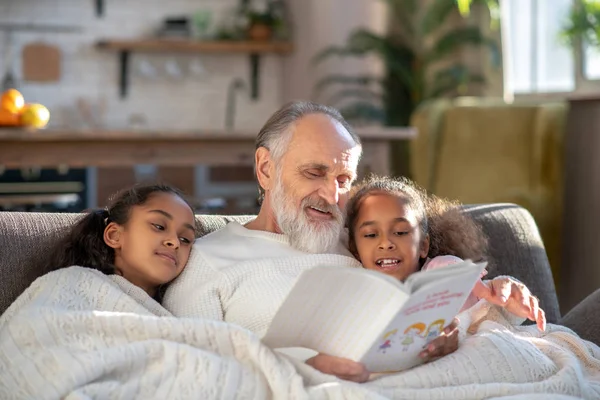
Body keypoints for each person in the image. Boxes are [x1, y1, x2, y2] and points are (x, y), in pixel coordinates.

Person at [163, 101, 546, 383]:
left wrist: (450, 337)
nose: (331, 195)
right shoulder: (209, 261)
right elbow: (193, 369)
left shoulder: (364, 240)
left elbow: (457, 309)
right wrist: (304, 367)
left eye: (344, 179)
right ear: (266, 169)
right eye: (315, 172)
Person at [346, 175, 546, 332]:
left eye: (400, 232)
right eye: (371, 234)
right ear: (355, 249)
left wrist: (506, 299)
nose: (386, 243)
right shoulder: (356, 295)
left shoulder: (444, 271)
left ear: (424, 245)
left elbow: (488, 304)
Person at [45, 183, 196, 300]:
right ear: (114, 235)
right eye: (159, 226)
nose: (175, 242)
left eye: (185, 239)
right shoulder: (68, 287)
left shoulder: (185, 309)